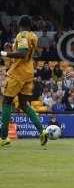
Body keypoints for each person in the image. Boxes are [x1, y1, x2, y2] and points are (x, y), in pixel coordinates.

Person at [0, 15, 48, 146]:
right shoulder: (33, 36)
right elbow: (26, 52)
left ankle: (3, 137)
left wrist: (3, 53)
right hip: (29, 71)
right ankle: (42, 131)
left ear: (19, 25)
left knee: (6, 101)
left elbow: (22, 53)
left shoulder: (22, 35)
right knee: (23, 104)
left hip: (18, 72)